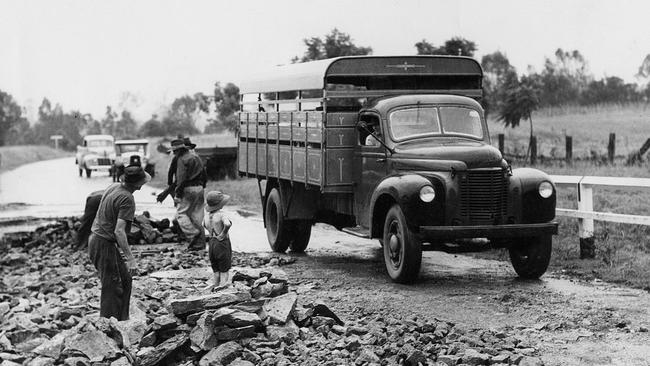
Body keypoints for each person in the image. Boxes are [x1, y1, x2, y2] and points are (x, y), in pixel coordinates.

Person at [88, 164, 150, 320]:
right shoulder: (127, 199)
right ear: (139, 184)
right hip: (103, 243)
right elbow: (119, 231)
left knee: (124, 279)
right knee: (112, 285)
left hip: (97, 239)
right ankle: (109, 324)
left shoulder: (114, 186)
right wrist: (131, 258)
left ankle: (122, 320)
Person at [170, 139, 206, 250]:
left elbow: (181, 179)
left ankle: (192, 233)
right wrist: (202, 187)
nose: (174, 153)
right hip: (199, 188)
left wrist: (178, 194)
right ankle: (200, 244)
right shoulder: (196, 157)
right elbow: (204, 174)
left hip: (188, 188)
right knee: (197, 216)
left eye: (174, 151)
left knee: (181, 214)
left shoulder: (182, 159)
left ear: (179, 151)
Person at [202, 191, 232, 290]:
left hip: (212, 243)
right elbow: (227, 224)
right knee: (224, 268)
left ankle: (215, 285)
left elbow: (203, 225)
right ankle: (222, 287)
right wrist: (223, 233)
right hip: (222, 243)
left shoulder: (206, 215)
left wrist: (211, 233)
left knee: (216, 269)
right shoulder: (221, 214)